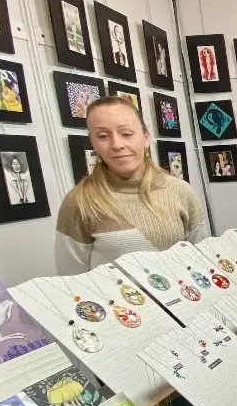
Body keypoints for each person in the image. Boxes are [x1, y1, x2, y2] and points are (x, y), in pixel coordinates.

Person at [55, 96, 205, 275]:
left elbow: (201, 260)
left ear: (145, 137)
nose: (117, 145)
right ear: (93, 142)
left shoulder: (181, 191)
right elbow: (72, 280)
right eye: (103, 136)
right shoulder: (79, 202)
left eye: (126, 134)